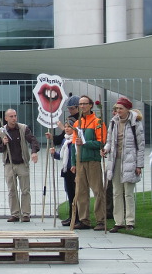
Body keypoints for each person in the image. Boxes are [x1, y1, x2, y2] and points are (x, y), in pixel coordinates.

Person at [102, 97, 144, 232]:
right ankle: (118, 221)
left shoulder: (135, 123)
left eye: (120, 108)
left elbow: (141, 146)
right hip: (115, 161)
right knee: (116, 192)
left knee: (129, 193)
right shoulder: (113, 123)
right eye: (116, 109)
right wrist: (106, 149)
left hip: (130, 162)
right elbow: (109, 141)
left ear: (127, 109)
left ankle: (130, 221)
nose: (118, 111)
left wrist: (139, 165)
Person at [0, 109, 40, 222]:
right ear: (6, 118)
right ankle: (15, 214)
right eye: (11, 116)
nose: (14, 118)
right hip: (9, 164)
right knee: (12, 190)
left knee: (25, 190)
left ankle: (26, 214)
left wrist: (34, 151)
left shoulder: (23, 128)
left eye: (15, 116)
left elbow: (33, 140)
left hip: (22, 163)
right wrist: (3, 144)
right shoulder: (1, 131)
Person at [70, 95, 107, 231]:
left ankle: (101, 220)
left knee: (97, 191)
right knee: (81, 191)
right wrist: (74, 162)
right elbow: (74, 145)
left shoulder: (98, 122)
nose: (82, 106)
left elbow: (101, 142)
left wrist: (85, 143)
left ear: (91, 105)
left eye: (85, 103)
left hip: (92, 161)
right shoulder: (77, 123)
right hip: (80, 161)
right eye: (80, 104)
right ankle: (84, 219)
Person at [49, 118, 78, 226]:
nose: (66, 129)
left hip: (74, 170)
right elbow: (61, 156)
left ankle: (77, 217)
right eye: (65, 127)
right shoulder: (65, 140)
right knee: (69, 193)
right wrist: (53, 153)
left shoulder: (75, 140)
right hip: (67, 170)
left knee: (75, 194)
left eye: (69, 127)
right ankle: (71, 216)